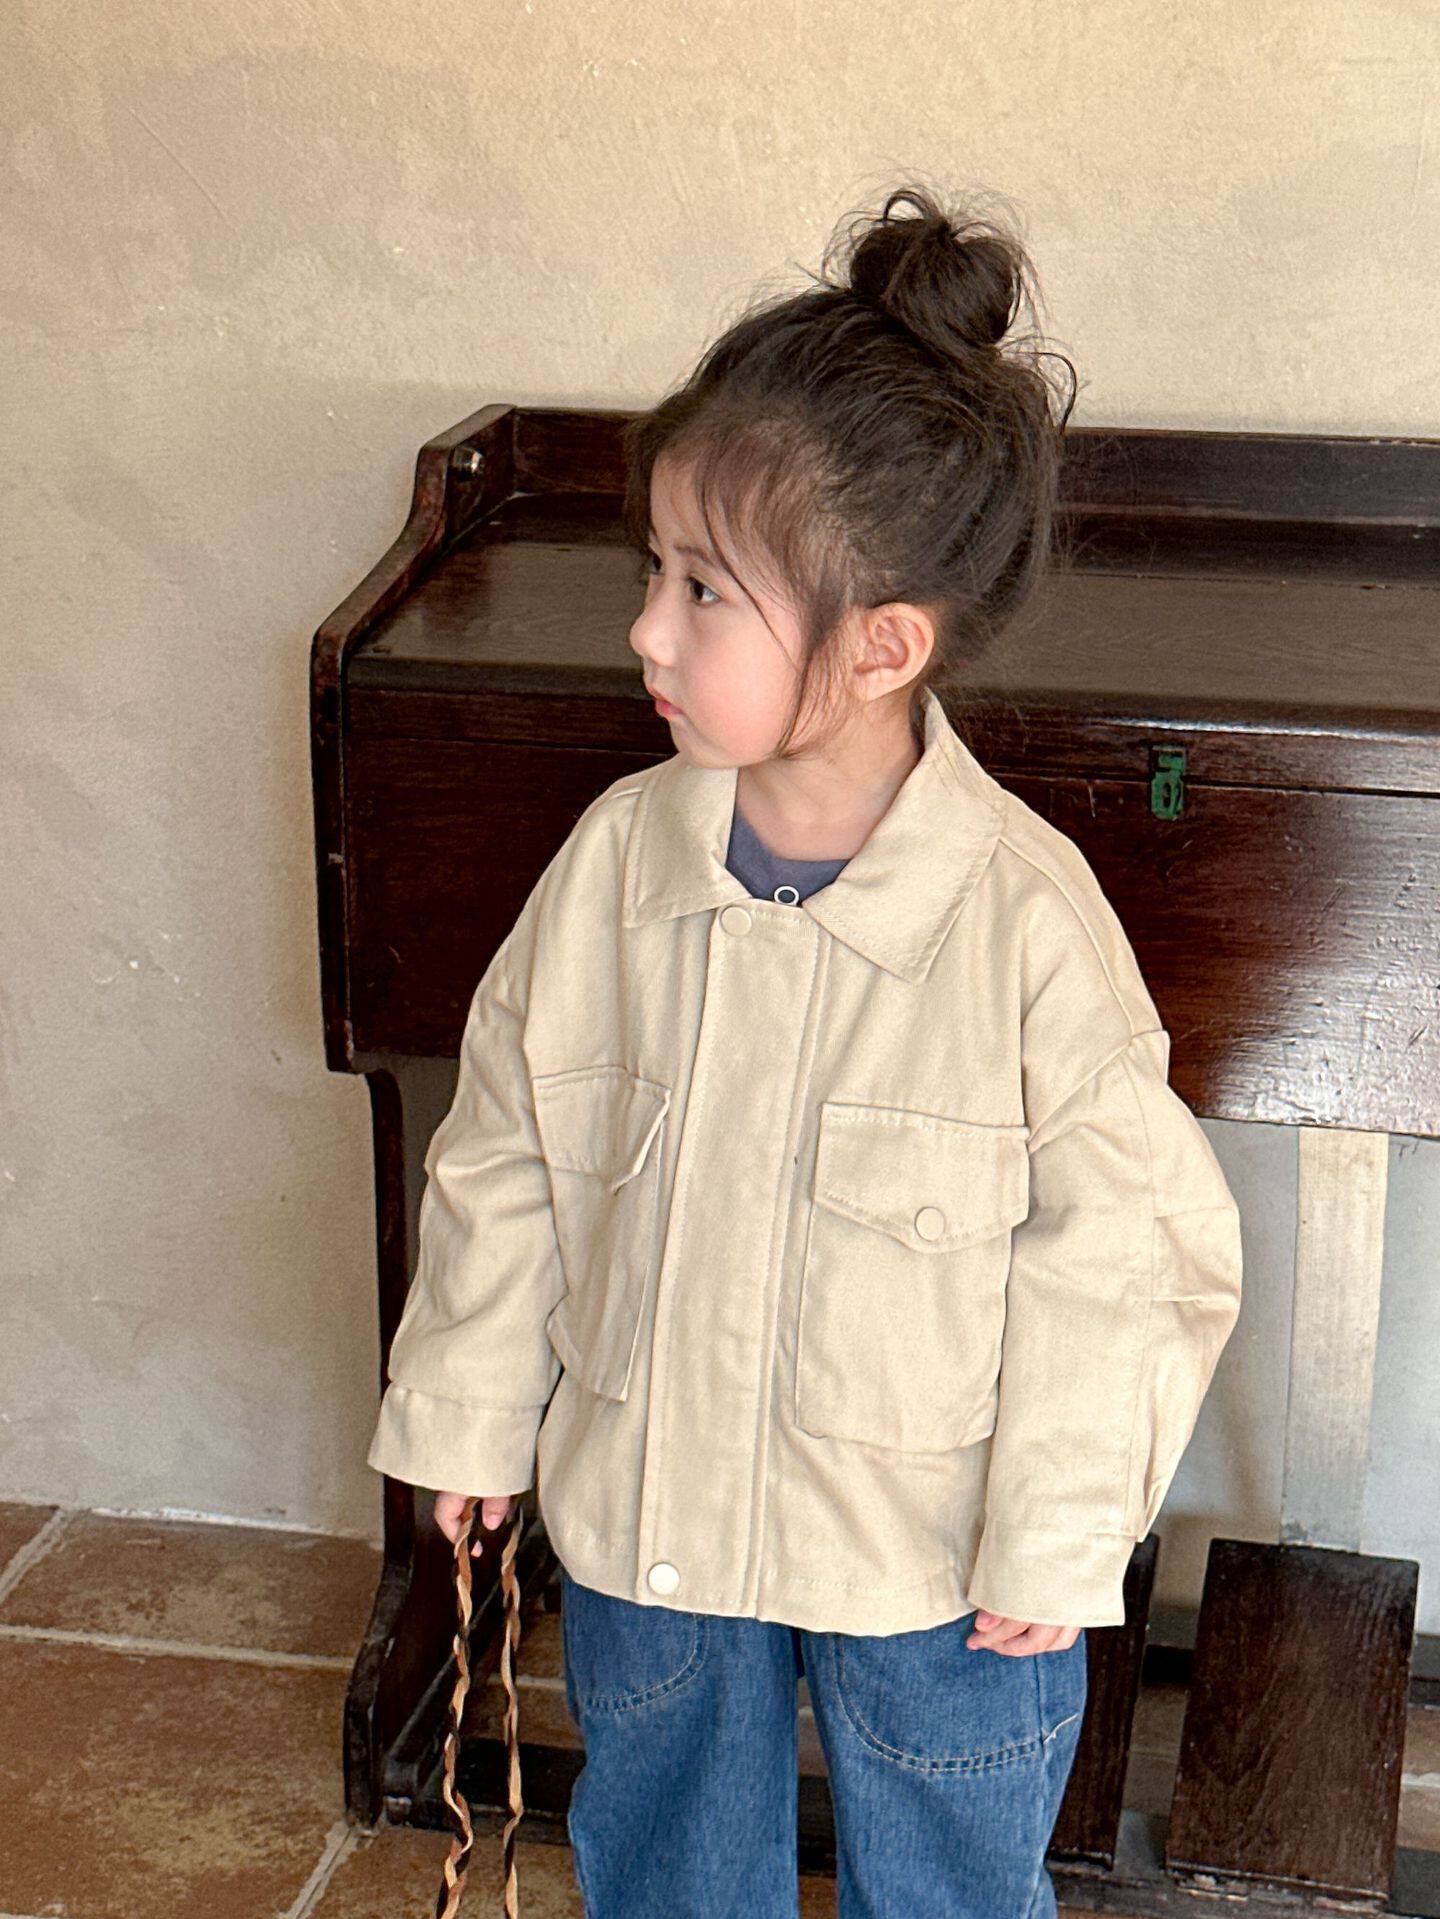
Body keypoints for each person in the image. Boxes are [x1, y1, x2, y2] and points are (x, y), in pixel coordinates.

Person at [367, 180, 1244, 1918]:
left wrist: (1060, 1535)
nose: (646, 629)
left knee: (947, 1887)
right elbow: (507, 1149)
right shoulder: (616, 866)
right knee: (670, 1869)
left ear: (881, 645)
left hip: (932, 1574)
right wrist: (468, 1411)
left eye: (705, 589)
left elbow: (1129, 1258)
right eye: (653, 571)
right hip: (656, 1535)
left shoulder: (1024, 926)